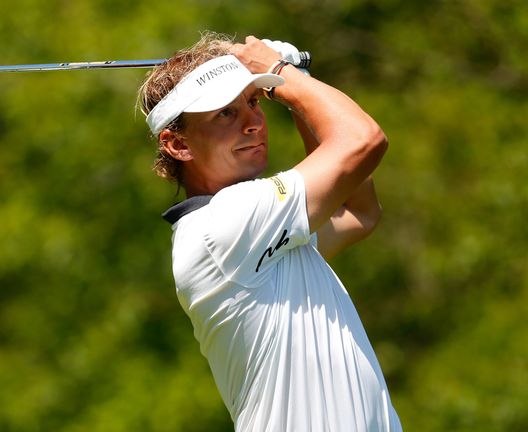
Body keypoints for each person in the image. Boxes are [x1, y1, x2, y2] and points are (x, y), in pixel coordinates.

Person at [137, 32, 402, 431]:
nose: (253, 123)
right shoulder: (224, 223)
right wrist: (283, 74)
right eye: (225, 114)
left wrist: (296, 80)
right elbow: (363, 141)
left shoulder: (258, 232)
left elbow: (356, 211)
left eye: (253, 101)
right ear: (177, 144)